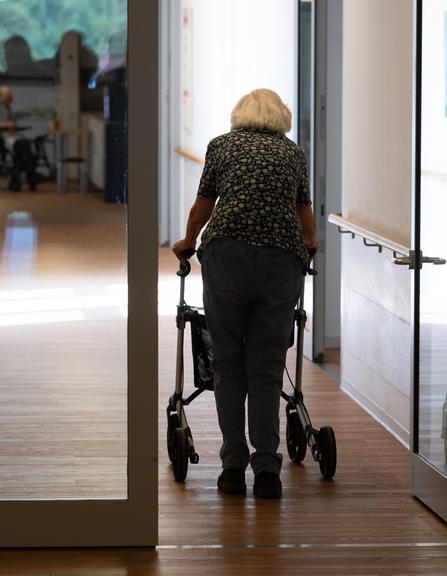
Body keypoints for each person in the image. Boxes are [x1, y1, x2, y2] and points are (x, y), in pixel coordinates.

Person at [171, 88, 318, 499]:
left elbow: (203, 207)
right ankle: (268, 471)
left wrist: (186, 241)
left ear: (240, 115)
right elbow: (305, 214)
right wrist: (309, 243)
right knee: (268, 366)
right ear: (280, 117)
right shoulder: (293, 154)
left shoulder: (221, 146)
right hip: (279, 262)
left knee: (229, 363)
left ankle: (233, 467)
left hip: (227, 257)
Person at [0, 86, 38, 191]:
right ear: (2, 97)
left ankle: (27, 175)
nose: (12, 100)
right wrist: (6, 124)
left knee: (27, 147)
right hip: (4, 138)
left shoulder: (8, 107)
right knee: (23, 147)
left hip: (14, 135)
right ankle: (29, 175)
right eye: (9, 97)